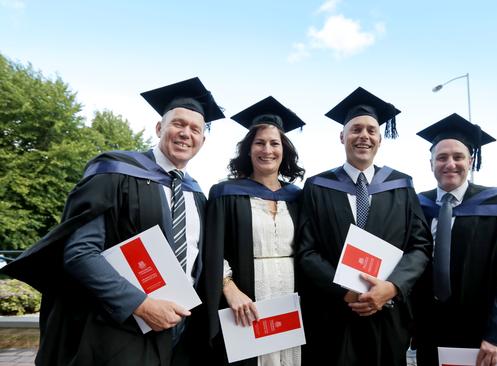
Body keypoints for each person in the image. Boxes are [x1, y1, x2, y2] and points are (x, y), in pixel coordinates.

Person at [0, 77, 224, 366]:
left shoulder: (196, 195)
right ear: (160, 128)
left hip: (179, 335)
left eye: (195, 129)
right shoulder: (116, 172)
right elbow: (79, 253)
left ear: (202, 141)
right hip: (118, 329)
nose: (185, 134)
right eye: (178, 124)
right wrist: (141, 305)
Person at [297, 87, 432, 366]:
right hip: (334, 315)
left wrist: (393, 287)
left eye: (371, 130)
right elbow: (306, 251)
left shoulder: (401, 185)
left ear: (380, 139)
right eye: (356, 129)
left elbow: (420, 247)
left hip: (388, 315)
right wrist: (344, 290)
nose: (364, 136)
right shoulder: (317, 186)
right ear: (342, 136)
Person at [411, 113, 497, 366]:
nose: (450, 163)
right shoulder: (417, 204)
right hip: (429, 331)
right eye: (442, 157)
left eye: (458, 157)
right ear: (431, 164)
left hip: (481, 334)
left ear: (470, 161)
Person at [198, 96, 306, 366]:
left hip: (291, 298)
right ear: (248, 149)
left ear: (285, 150)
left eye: (274, 143)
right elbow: (211, 249)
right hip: (244, 298)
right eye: (259, 143)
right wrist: (229, 288)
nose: (266, 150)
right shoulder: (225, 193)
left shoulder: (299, 197)